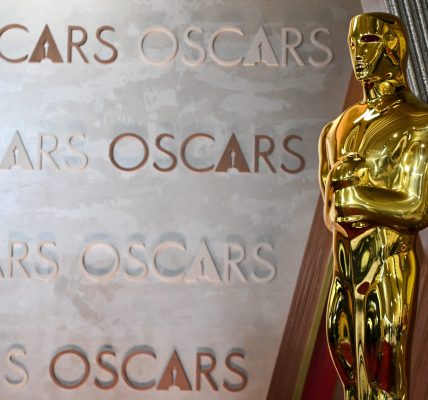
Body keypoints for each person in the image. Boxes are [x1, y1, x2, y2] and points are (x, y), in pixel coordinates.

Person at [319, 12, 428, 399]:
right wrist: (339, 197)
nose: (357, 53)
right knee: (349, 375)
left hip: (387, 264)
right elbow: (330, 212)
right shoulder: (337, 127)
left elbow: (417, 209)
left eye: (367, 42)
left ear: (393, 48)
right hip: (343, 267)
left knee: (383, 384)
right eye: (353, 43)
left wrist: (357, 196)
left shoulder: (418, 122)